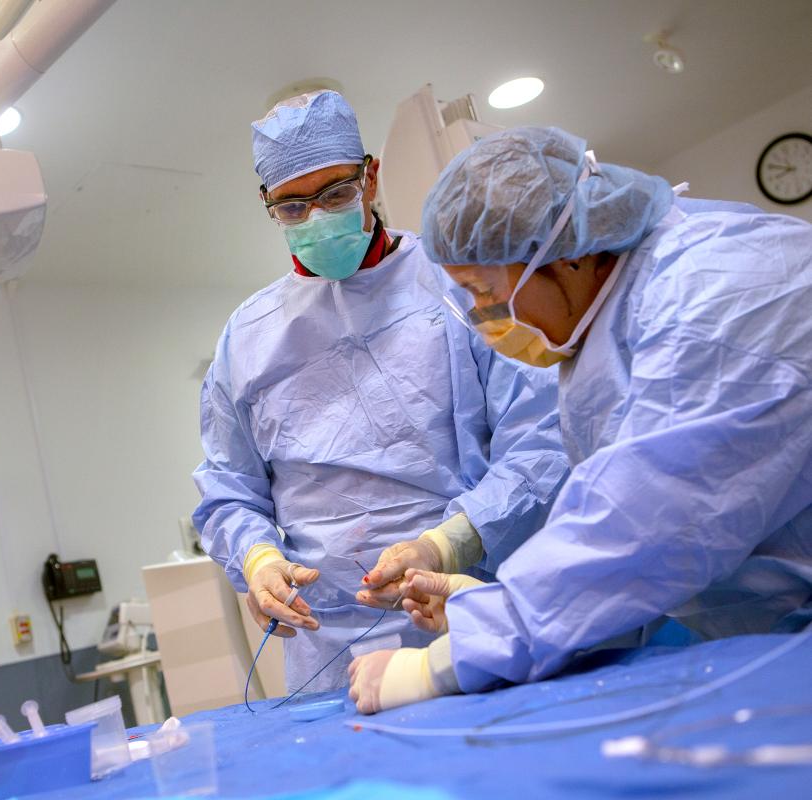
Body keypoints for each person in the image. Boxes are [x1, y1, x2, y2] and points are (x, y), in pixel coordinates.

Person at [348, 126, 812, 713]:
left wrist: (445, 661)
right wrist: (488, 606)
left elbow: (641, 529)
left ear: (562, 256)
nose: (485, 320)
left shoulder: (713, 297)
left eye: (484, 291)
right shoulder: (608, 325)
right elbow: (628, 533)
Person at [193, 94, 570, 691]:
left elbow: (542, 441)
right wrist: (257, 560)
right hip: (322, 643)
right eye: (293, 206)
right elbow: (228, 491)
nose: (317, 217)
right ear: (268, 206)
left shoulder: (457, 285)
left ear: (370, 178)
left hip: (460, 606)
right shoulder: (246, 337)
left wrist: (447, 545)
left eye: (336, 194)